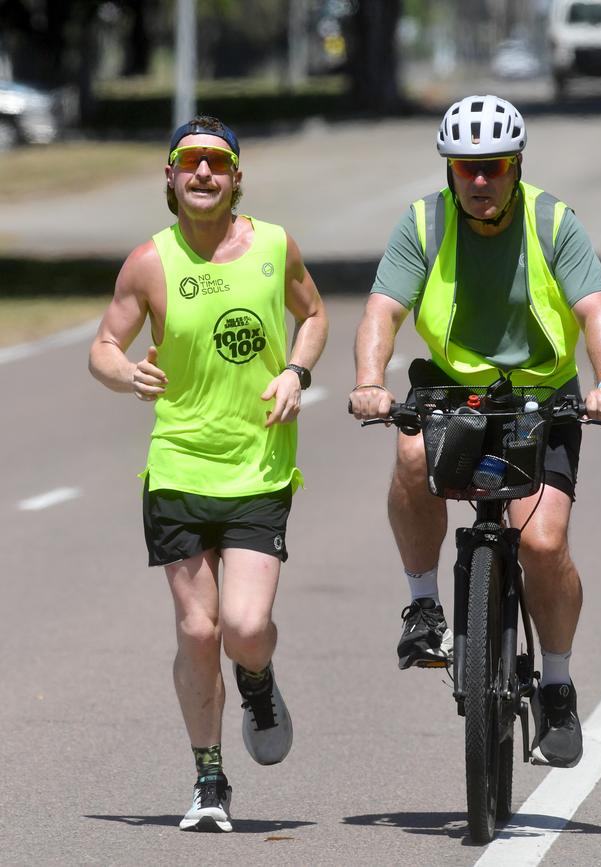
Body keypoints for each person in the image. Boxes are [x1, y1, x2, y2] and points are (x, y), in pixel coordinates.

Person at [349, 94, 601, 769]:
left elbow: (596, 311)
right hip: (454, 390)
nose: (481, 181)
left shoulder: (553, 221)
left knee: (543, 539)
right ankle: (423, 608)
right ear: (450, 168)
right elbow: (382, 313)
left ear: (517, 165)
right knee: (411, 449)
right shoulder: (422, 223)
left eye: (495, 166)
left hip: (543, 396)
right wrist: (368, 379)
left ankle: (556, 685)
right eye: (467, 167)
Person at [89, 115, 328, 831]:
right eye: (188, 162)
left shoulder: (275, 246)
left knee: (246, 627)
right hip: (180, 464)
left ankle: (256, 679)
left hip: (258, 464)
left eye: (215, 164)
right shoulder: (150, 262)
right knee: (199, 630)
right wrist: (124, 370)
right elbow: (105, 341)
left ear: (235, 177)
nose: (202, 174)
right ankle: (209, 778)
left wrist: (295, 369)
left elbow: (312, 315)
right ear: (169, 177)